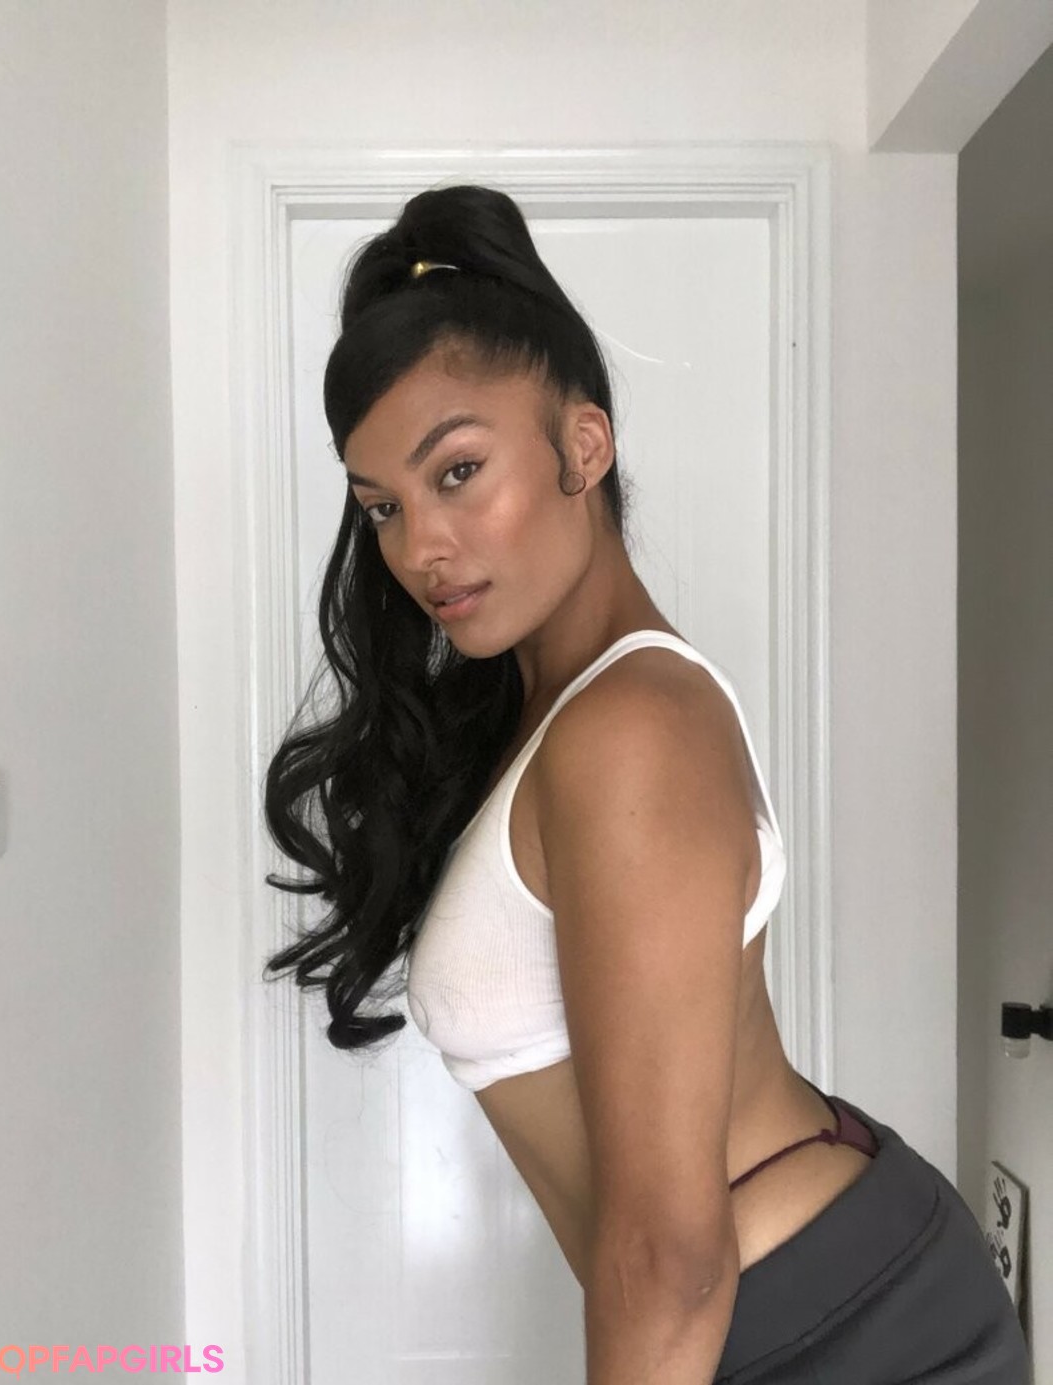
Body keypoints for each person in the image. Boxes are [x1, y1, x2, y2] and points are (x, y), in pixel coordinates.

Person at [262, 183, 1031, 1383]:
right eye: (383, 508)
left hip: (844, 1332)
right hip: (799, 1294)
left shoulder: (629, 730)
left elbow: (670, 1257)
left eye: (457, 471)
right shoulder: (555, 714)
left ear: (584, 445)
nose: (418, 548)